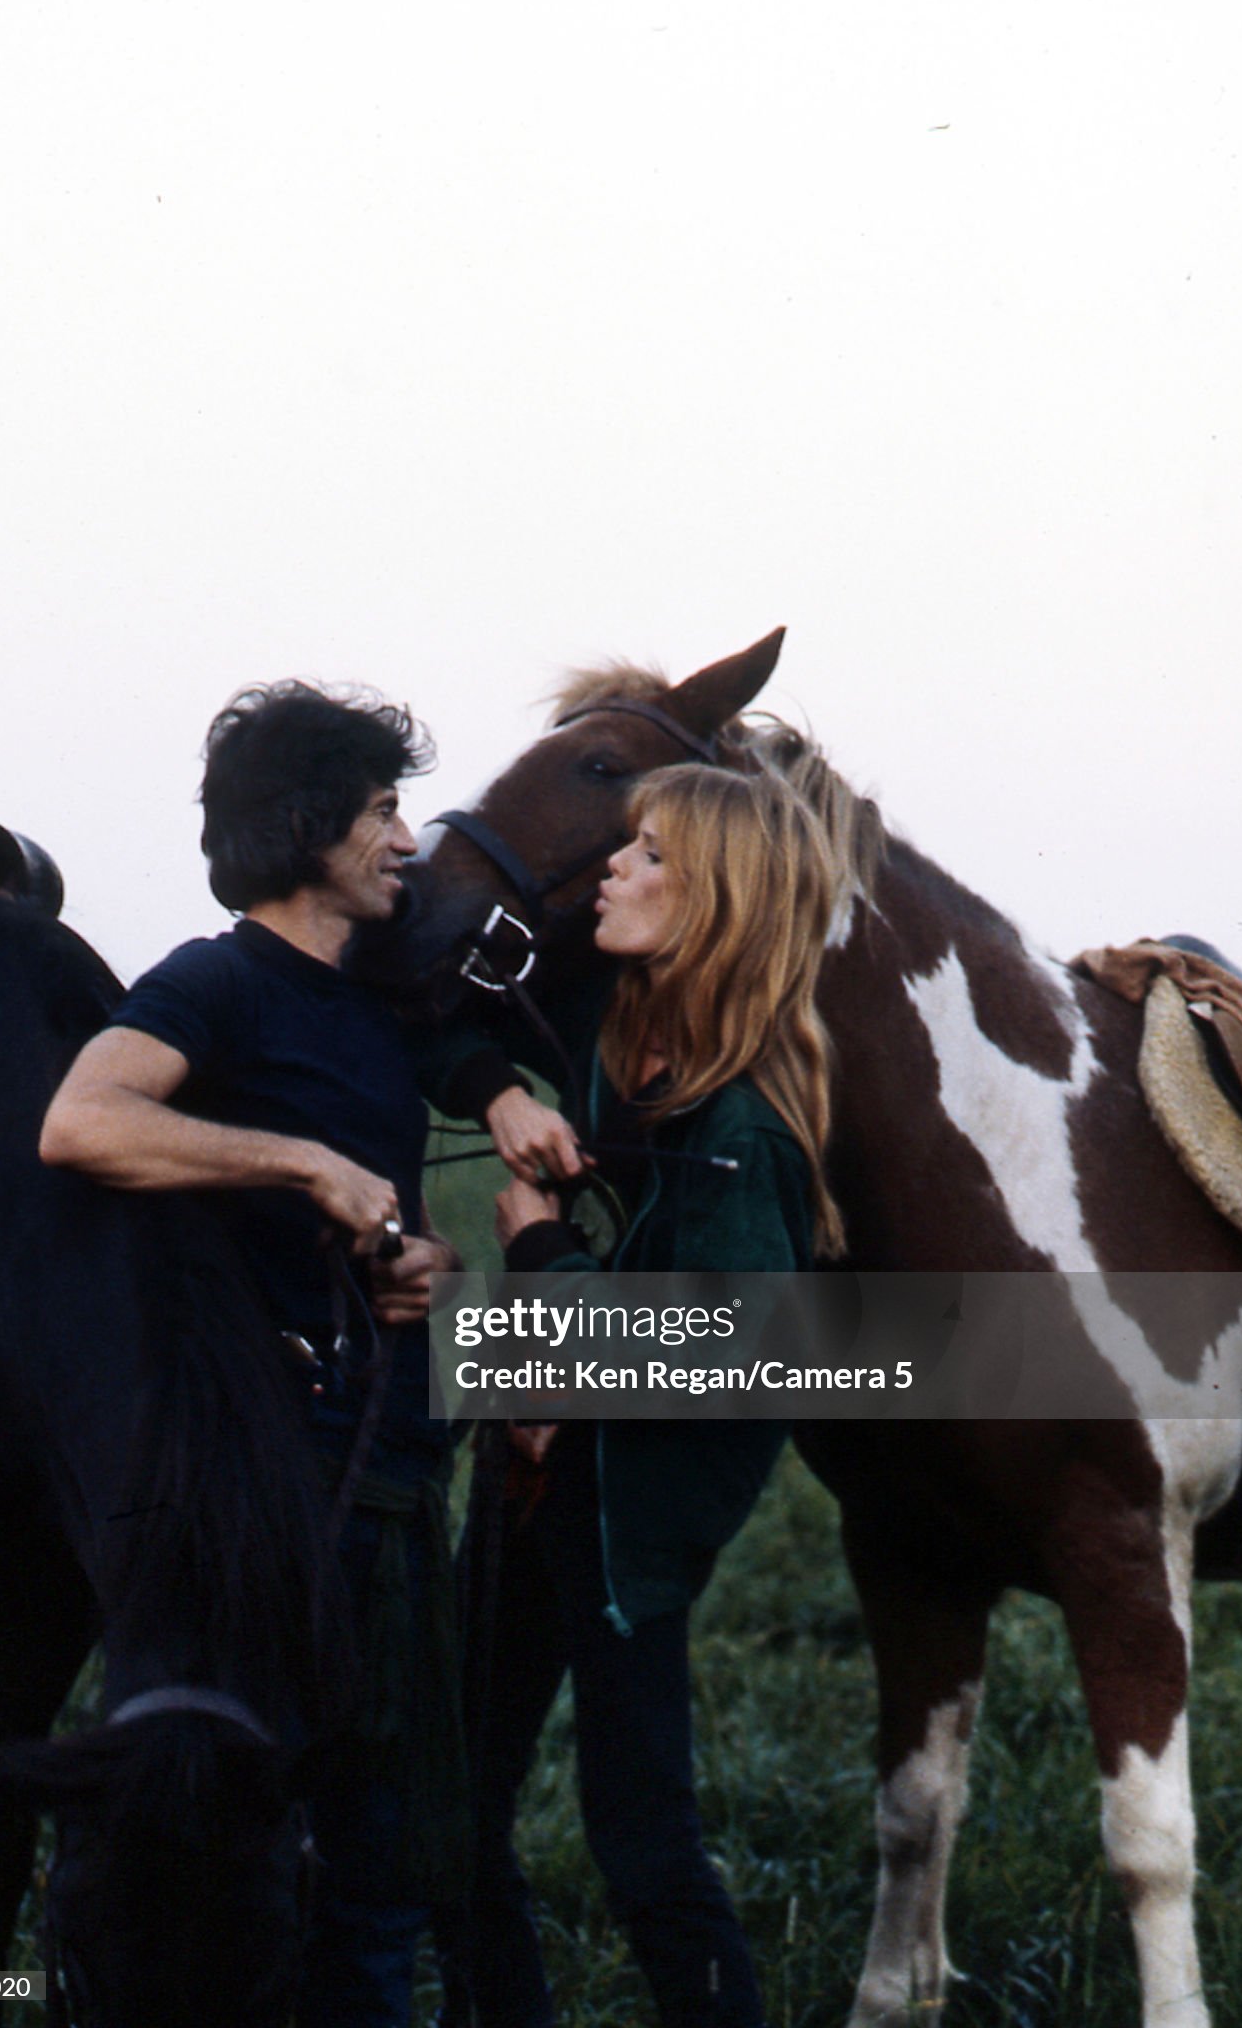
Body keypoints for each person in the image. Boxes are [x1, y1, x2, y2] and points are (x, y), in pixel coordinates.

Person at [40, 681, 461, 2028]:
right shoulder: (214, 979)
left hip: (387, 1474)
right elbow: (80, 1123)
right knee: (239, 1838)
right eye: (385, 812)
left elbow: (384, 1227)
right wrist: (304, 1162)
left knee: (384, 1852)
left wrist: (417, 1261)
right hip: (258, 1489)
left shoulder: (379, 1014)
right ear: (308, 828)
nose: (408, 839)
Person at [446, 762, 847, 2028]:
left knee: (641, 1840)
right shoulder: (631, 1039)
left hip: (617, 1517)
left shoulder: (741, 1125)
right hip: (537, 1474)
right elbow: (438, 1018)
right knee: (449, 1799)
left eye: (650, 855)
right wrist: (505, 1093)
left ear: (719, 902)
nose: (613, 868)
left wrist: (544, 1254)